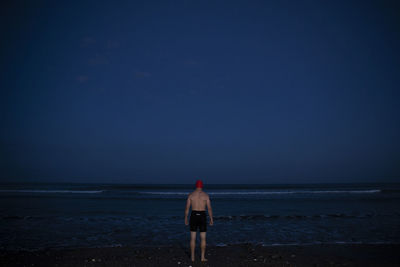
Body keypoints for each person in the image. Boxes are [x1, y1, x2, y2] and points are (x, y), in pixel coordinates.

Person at [184, 180, 213, 262]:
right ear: (202, 186)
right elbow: (209, 208)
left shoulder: (191, 195)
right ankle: (202, 257)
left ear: (196, 186)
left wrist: (185, 218)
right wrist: (211, 219)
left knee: (192, 238)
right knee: (203, 238)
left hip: (193, 215)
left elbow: (187, 208)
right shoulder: (206, 195)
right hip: (202, 216)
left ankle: (192, 257)